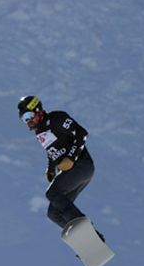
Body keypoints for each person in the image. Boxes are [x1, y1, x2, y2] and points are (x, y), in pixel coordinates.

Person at [16, 95, 100, 236]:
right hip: (74, 171)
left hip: (81, 166)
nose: (28, 121)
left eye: (29, 116)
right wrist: (50, 169)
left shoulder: (56, 119)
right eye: (24, 119)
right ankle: (89, 239)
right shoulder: (40, 131)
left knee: (52, 193)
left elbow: (81, 133)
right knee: (53, 213)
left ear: (38, 110)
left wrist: (71, 157)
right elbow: (53, 150)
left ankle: (85, 229)